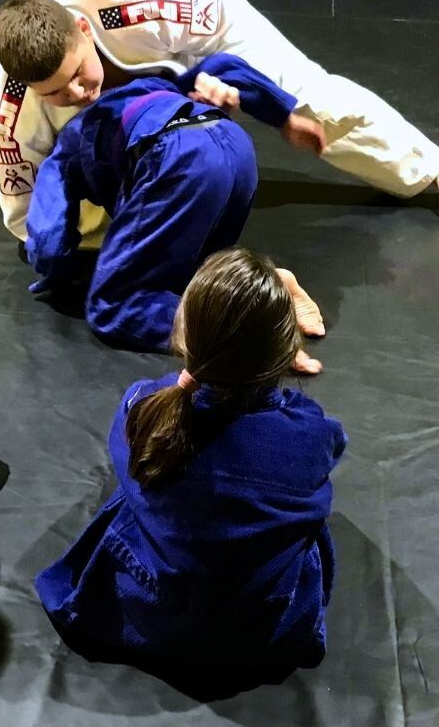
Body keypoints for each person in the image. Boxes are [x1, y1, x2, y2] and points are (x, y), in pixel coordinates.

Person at [0, 0, 439, 241]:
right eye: (54, 91)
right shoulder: (15, 102)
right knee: (75, 194)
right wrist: (92, 242)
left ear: (82, 30)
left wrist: (277, 110)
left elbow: (223, 43)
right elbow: (23, 206)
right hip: (131, 35)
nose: (77, 93)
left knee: (309, 94)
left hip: (184, 11)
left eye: (78, 73)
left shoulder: (151, 5)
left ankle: (435, 168)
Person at [34, 248, 347, 699]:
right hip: (265, 632)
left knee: (137, 492)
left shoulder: (142, 408)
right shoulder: (309, 435)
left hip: (142, 614)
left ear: (183, 336)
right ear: (286, 351)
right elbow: (332, 449)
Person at [25, 49, 324, 372]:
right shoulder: (153, 85)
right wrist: (283, 115)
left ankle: (251, 333)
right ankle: (268, 289)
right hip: (237, 148)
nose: (75, 93)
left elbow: (47, 238)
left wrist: (57, 272)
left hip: (178, 159)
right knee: (192, 277)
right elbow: (221, 65)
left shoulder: (71, 139)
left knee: (114, 304)